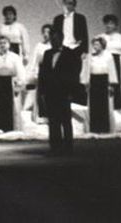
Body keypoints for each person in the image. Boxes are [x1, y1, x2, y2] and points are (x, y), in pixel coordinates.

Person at [38, 27, 81, 155]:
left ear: (61, 39)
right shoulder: (47, 53)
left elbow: (74, 74)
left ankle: (68, 148)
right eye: (52, 39)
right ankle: (55, 148)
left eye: (55, 39)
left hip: (64, 92)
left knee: (66, 120)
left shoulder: (70, 53)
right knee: (53, 121)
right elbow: (43, 73)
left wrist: (72, 92)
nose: (53, 41)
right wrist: (42, 91)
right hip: (50, 92)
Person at [0, 36, 27, 132]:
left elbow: (21, 73)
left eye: (4, 43)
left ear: (9, 45)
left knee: (13, 108)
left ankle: (13, 129)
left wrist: (19, 84)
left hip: (11, 85)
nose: (2, 45)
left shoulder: (15, 57)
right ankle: (0, 129)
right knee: (0, 109)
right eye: (0, 43)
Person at [97, 15, 121, 113]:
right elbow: (95, 51)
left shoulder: (120, 37)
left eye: (111, 23)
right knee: (105, 84)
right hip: (104, 63)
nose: (109, 25)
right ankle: (105, 109)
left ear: (116, 25)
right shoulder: (100, 37)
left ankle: (118, 109)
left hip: (117, 62)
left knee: (117, 85)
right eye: (107, 23)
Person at [83, 37, 117, 134]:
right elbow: (86, 70)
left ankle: (104, 129)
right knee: (94, 106)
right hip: (94, 81)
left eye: (97, 44)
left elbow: (112, 70)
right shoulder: (90, 57)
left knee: (104, 106)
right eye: (94, 44)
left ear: (102, 45)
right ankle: (94, 128)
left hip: (104, 81)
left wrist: (111, 84)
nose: (95, 46)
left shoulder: (108, 56)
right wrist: (86, 83)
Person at [28, 24, 53, 123]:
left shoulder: (53, 46)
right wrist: (34, 72)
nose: (46, 34)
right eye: (44, 32)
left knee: (50, 94)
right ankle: (42, 116)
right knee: (41, 94)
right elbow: (34, 60)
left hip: (52, 72)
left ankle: (51, 115)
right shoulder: (39, 45)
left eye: (48, 32)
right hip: (41, 71)